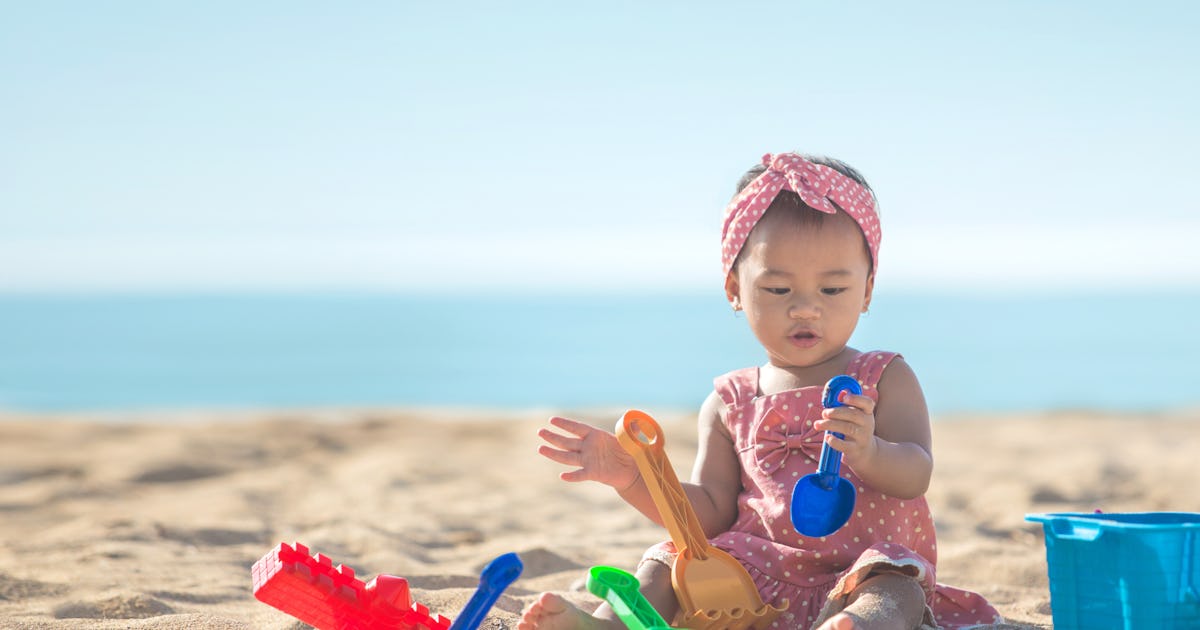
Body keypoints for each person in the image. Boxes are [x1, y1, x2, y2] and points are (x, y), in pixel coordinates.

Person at [519, 152, 1002, 630]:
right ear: (734, 289)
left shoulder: (882, 377)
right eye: (778, 290)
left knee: (896, 588)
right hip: (746, 588)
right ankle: (608, 627)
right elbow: (708, 514)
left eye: (832, 290)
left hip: (856, 573)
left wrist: (869, 450)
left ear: (868, 290)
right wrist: (634, 478)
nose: (806, 309)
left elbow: (916, 474)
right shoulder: (730, 402)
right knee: (668, 559)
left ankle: (856, 626)